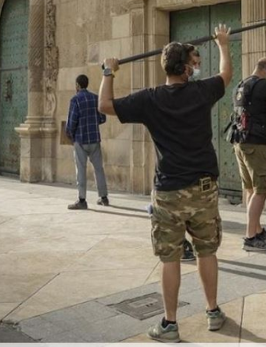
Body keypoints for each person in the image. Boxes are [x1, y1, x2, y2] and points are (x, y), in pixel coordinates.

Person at [98, 25, 232, 341]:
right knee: (206, 251)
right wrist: (223, 44)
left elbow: (104, 105)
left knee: (170, 258)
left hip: (169, 191)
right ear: (185, 69)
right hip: (203, 189)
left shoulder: (150, 99)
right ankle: (213, 312)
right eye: (192, 64)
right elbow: (226, 74)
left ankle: (170, 324)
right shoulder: (202, 92)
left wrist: (108, 72)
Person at [230, 58, 266, 252]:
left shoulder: (240, 85)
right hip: (256, 143)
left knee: (251, 189)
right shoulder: (265, 85)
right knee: (261, 190)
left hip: (240, 142)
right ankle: (250, 237)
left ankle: (257, 229)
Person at [65, 74, 109, 209]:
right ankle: (104, 197)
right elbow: (103, 118)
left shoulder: (75, 100)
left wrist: (70, 135)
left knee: (81, 170)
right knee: (99, 169)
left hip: (80, 139)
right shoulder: (95, 98)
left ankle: (82, 200)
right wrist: (93, 123)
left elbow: (72, 122)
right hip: (94, 139)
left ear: (77, 85)